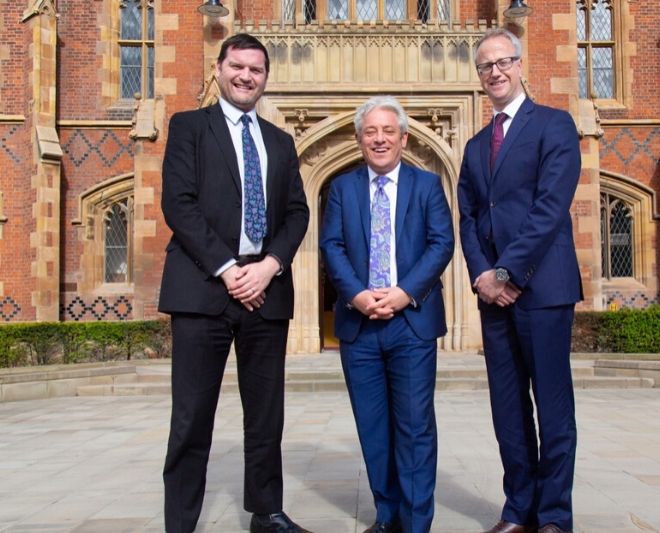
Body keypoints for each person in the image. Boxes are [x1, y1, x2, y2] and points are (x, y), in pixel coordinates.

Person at [158, 33, 311, 533]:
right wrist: (228, 269)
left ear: (266, 77)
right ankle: (181, 523)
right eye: (238, 67)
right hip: (204, 289)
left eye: (257, 70)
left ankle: (266, 511)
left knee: (266, 416)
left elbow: (296, 213)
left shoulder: (280, 141)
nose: (247, 76)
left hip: (265, 292)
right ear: (219, 68)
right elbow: (178, 204)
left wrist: (269, 266)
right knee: (191, 418)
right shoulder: (188, 127)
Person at [457, 28, 583, 533]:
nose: (495, 72)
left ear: (520, 63)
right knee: (507, 409)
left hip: (544, 288)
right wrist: (483, 276)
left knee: (551, 407)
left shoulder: (554, 125)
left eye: (503, 62)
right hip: (494, 297)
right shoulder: (473, 145)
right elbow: (467, 217)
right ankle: (518, 510)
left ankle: (553, 517)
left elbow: (550, 208)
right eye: (486, 66)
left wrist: (508, 271)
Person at [319, 96, 455, 533]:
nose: (379, 139)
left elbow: (441, 244)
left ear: (403, 137)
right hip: (359, 327)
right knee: (373, 428)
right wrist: (358, 295)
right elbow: (332, 246)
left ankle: (416, 523)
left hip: (411, 325)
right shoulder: (341, 188)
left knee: (415, 428)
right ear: (359, 139)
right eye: (370, 132)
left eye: (387, 131)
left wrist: (404, 294)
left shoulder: (427, 185)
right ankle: (387, 514)